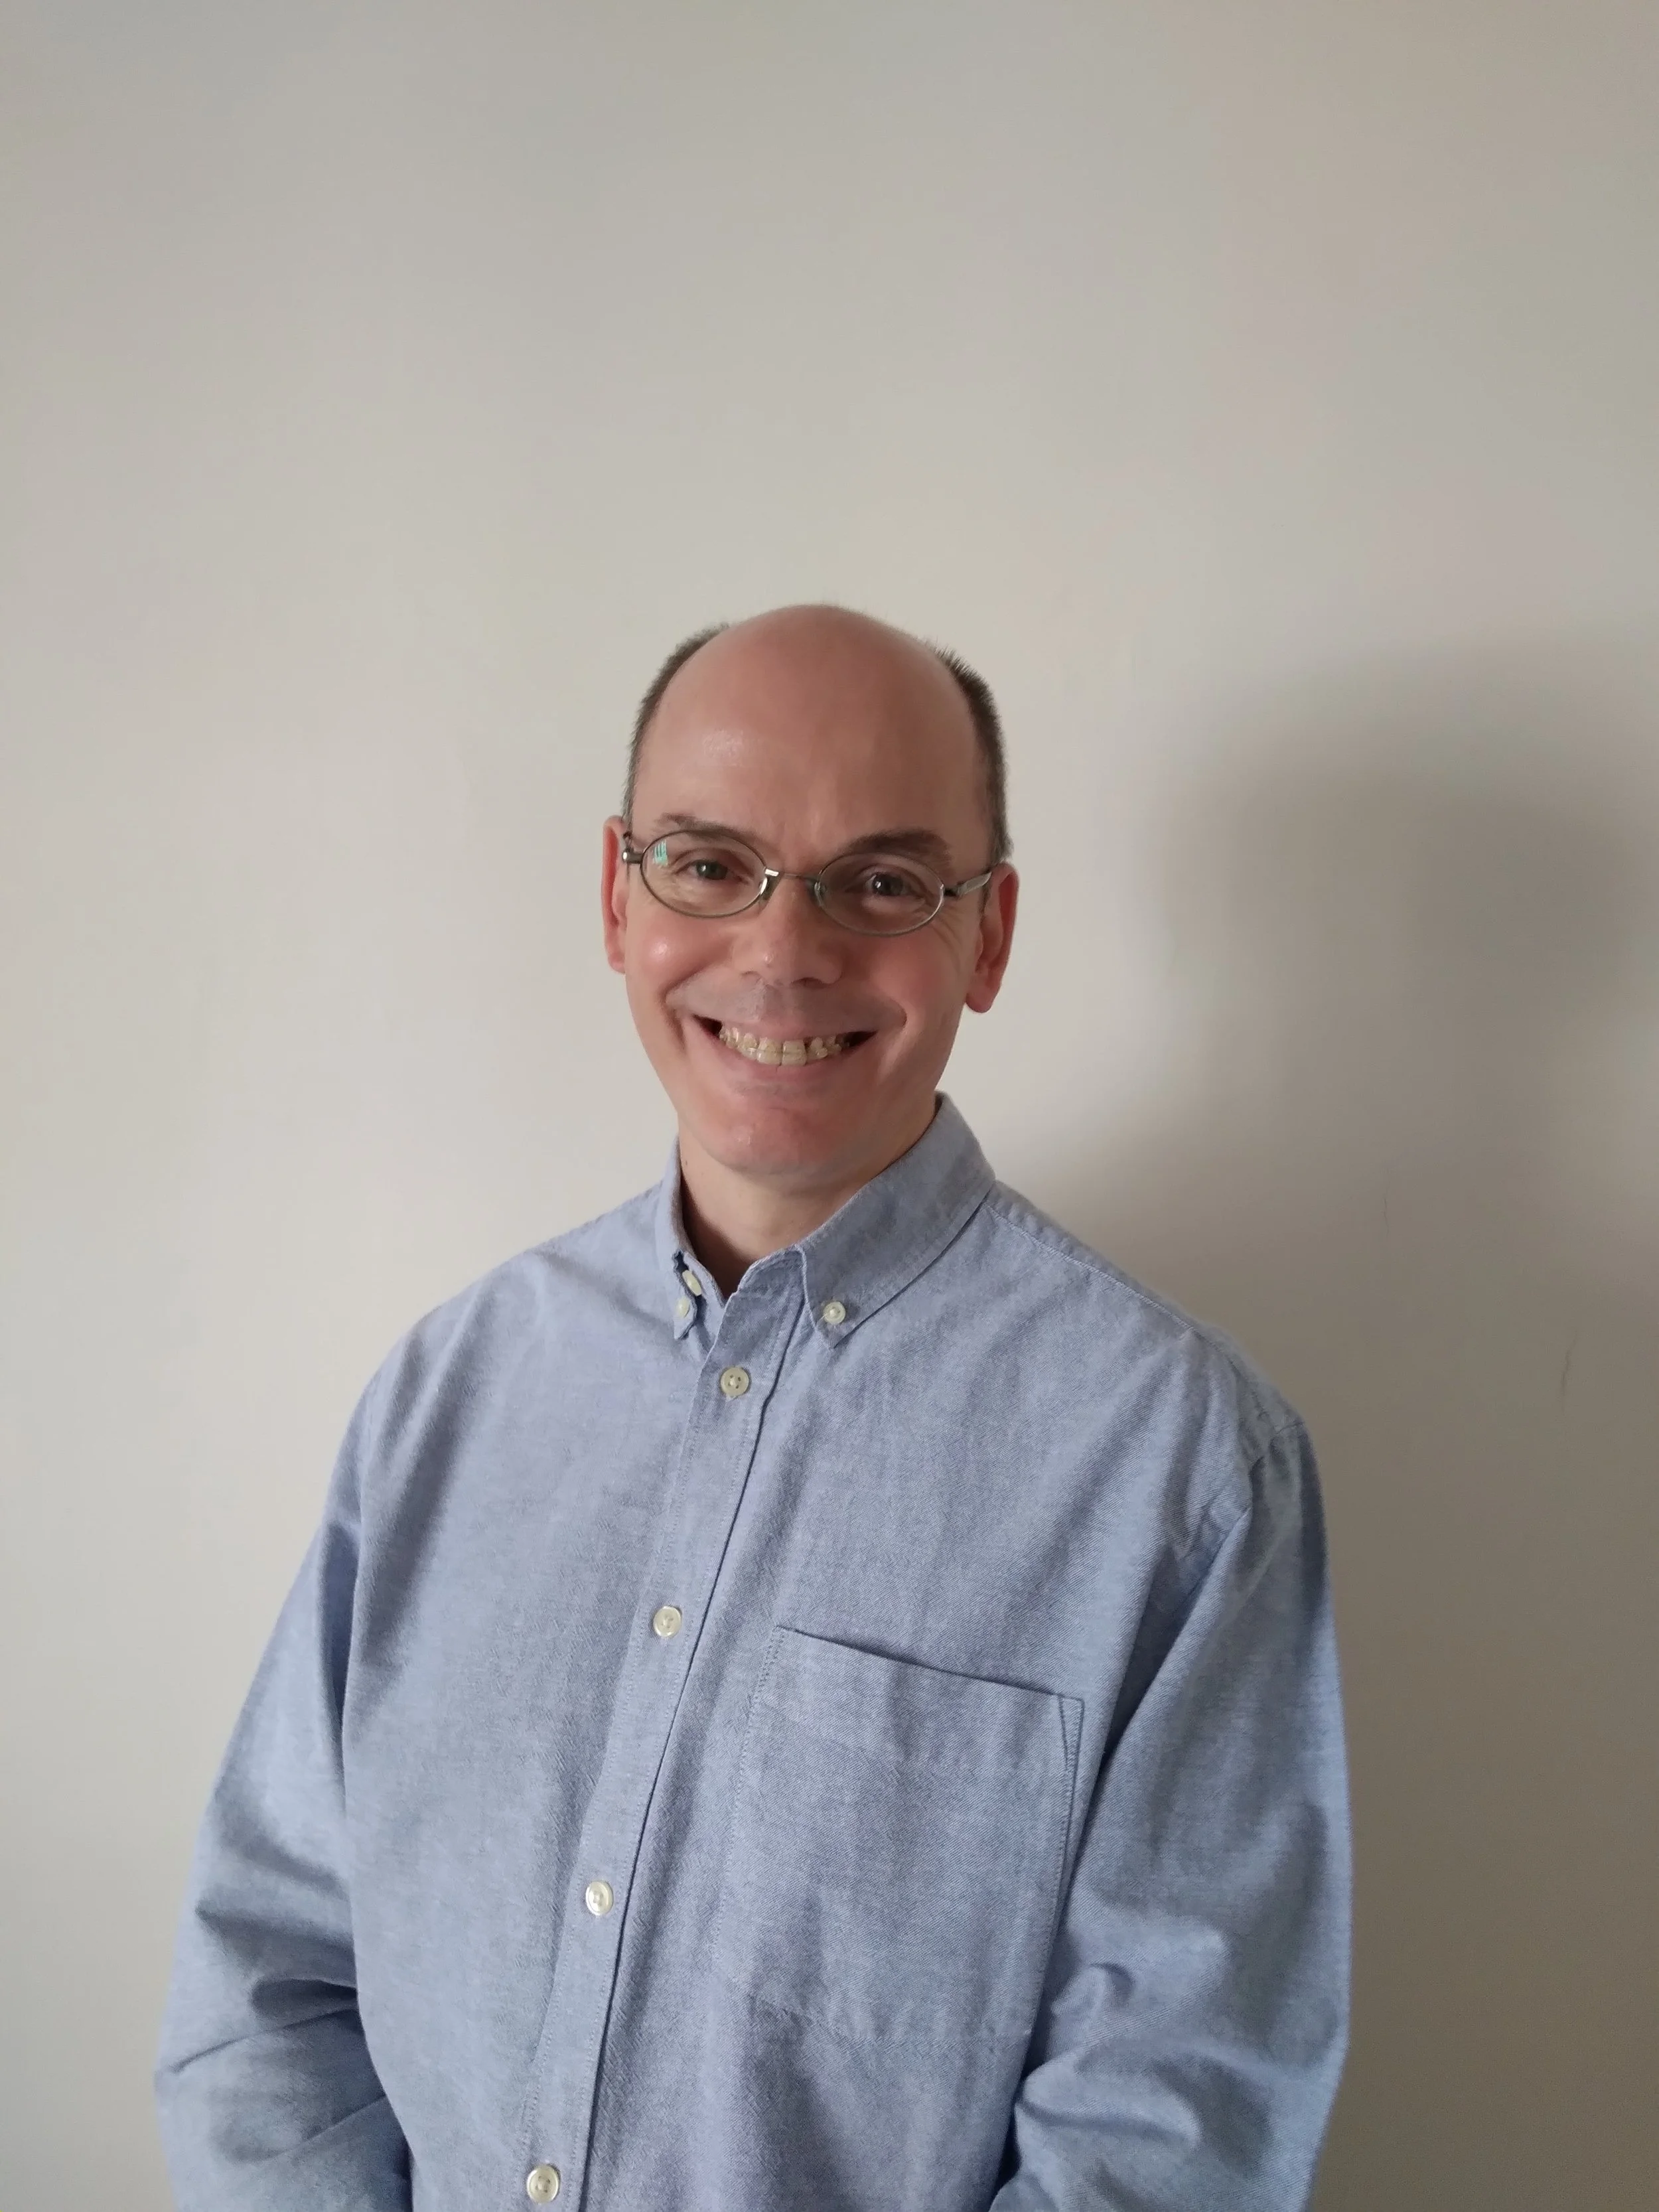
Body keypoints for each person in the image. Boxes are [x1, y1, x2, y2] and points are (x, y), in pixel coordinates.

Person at [157, 605, 1350, 2211]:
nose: (783, 951)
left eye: (880, 880)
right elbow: (265, 1978)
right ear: (615, 895)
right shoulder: (451, 1391)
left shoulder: (1180, 1467)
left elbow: (1169, 2137)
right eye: (709, 864)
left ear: (985, 936)